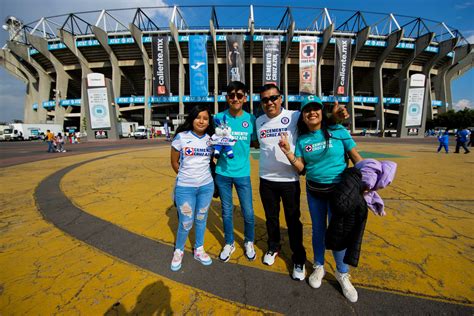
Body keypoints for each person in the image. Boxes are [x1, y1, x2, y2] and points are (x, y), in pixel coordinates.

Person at [257, 84, 350, 280]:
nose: (270, 102)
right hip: (266, 179)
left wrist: (335, 116)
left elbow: (315, 117)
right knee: (271, 218)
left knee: (293, 221)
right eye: (265, 99)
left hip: (290, 180)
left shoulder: (294, 115)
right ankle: (273, 247)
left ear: (281, 98)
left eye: (273, 98)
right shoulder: (258, 121)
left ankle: (298, 259)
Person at [278, 95, 363, 303]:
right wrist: (288, 152)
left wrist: (368, 182)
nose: (312, 113)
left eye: (316, 108)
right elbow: (302, 168)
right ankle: (318, 266)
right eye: (307, 110)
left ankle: (342, 273)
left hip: (340, 193)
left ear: (321, 113)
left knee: (339, 232)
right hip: (315, 192)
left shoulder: (338, 132)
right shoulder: (303, 139)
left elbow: (356, 158)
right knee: (318, 230)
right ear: (303, 117)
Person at [214, 81, 258, 262]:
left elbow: (255, 142)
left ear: (245, 98)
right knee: (226, 212)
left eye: (239, 95)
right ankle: (229, 242)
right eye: (231, 95)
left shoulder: (251, 119)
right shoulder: (218, 117)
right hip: (222, 173)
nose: (235, 98)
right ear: (227, 98)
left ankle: (249, 241)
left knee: (248, 212)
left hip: (243, 174)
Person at [169, 104, 216, 271]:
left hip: (206, 186)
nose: (201, 121)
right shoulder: (181, 137)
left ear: (209, 121)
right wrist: (185, 176)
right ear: (192, 119)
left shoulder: (212, 139)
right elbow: (174, 162)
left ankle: (199, 249)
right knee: (186, 222)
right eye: (198, 117)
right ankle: (179, 250)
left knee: (201, 219)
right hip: (185, 187)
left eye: (205, 118)